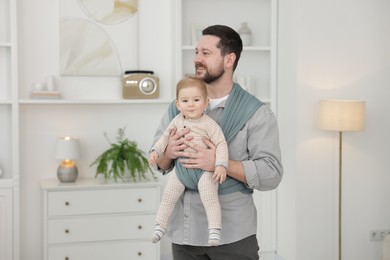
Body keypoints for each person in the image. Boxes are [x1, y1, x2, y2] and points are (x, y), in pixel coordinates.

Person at [151, 24, 283, 260]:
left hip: (233, 235)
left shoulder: (257, 113)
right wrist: (168, 152)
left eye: (206, 53)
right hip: (185, 231)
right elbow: (158, 162)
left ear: (229, 59)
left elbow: (272, 173)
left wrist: (220, 163)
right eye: (196, 52)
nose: (197, 59)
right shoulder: (178, 106)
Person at [149, 76, 228, 246]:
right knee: (168, 196)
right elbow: (164, 138)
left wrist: (221, 164)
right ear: (178, 104)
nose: (191, 104)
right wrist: (156, 150)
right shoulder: (177, 121)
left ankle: (214, 230)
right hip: (181, 170)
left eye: (196, 100)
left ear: (206, 102)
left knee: (209, 197)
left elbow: (221, 143)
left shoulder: (209, 124)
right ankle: (159, 225)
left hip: (204, 172)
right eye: (185, 101)